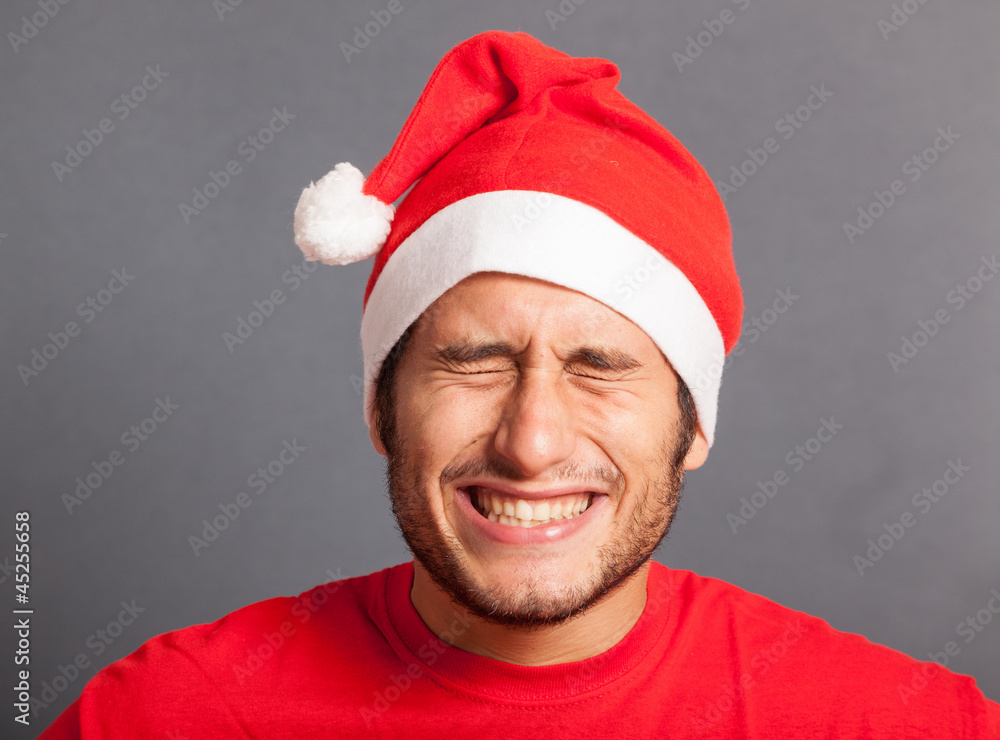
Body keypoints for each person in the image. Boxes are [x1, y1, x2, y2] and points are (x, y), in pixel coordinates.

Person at [39, 29, 999, 739]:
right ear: (380, 407)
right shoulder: (165, 716)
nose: (532, 442)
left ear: (695, 422)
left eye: (601, 369)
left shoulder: (905, 723)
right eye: (475, 362)